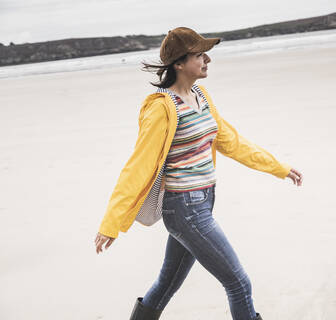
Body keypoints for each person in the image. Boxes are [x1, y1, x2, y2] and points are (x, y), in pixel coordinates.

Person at [94, 27, 303, 320]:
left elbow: (231, 141)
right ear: (179, 63)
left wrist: (277, 167)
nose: (207, 60)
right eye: (199, 55)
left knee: (167, 284)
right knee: (238, 282)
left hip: (203, 203)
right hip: (185, 209)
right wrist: (112, 222)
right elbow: (138, 164)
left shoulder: (201, 96)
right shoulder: (161, 109)